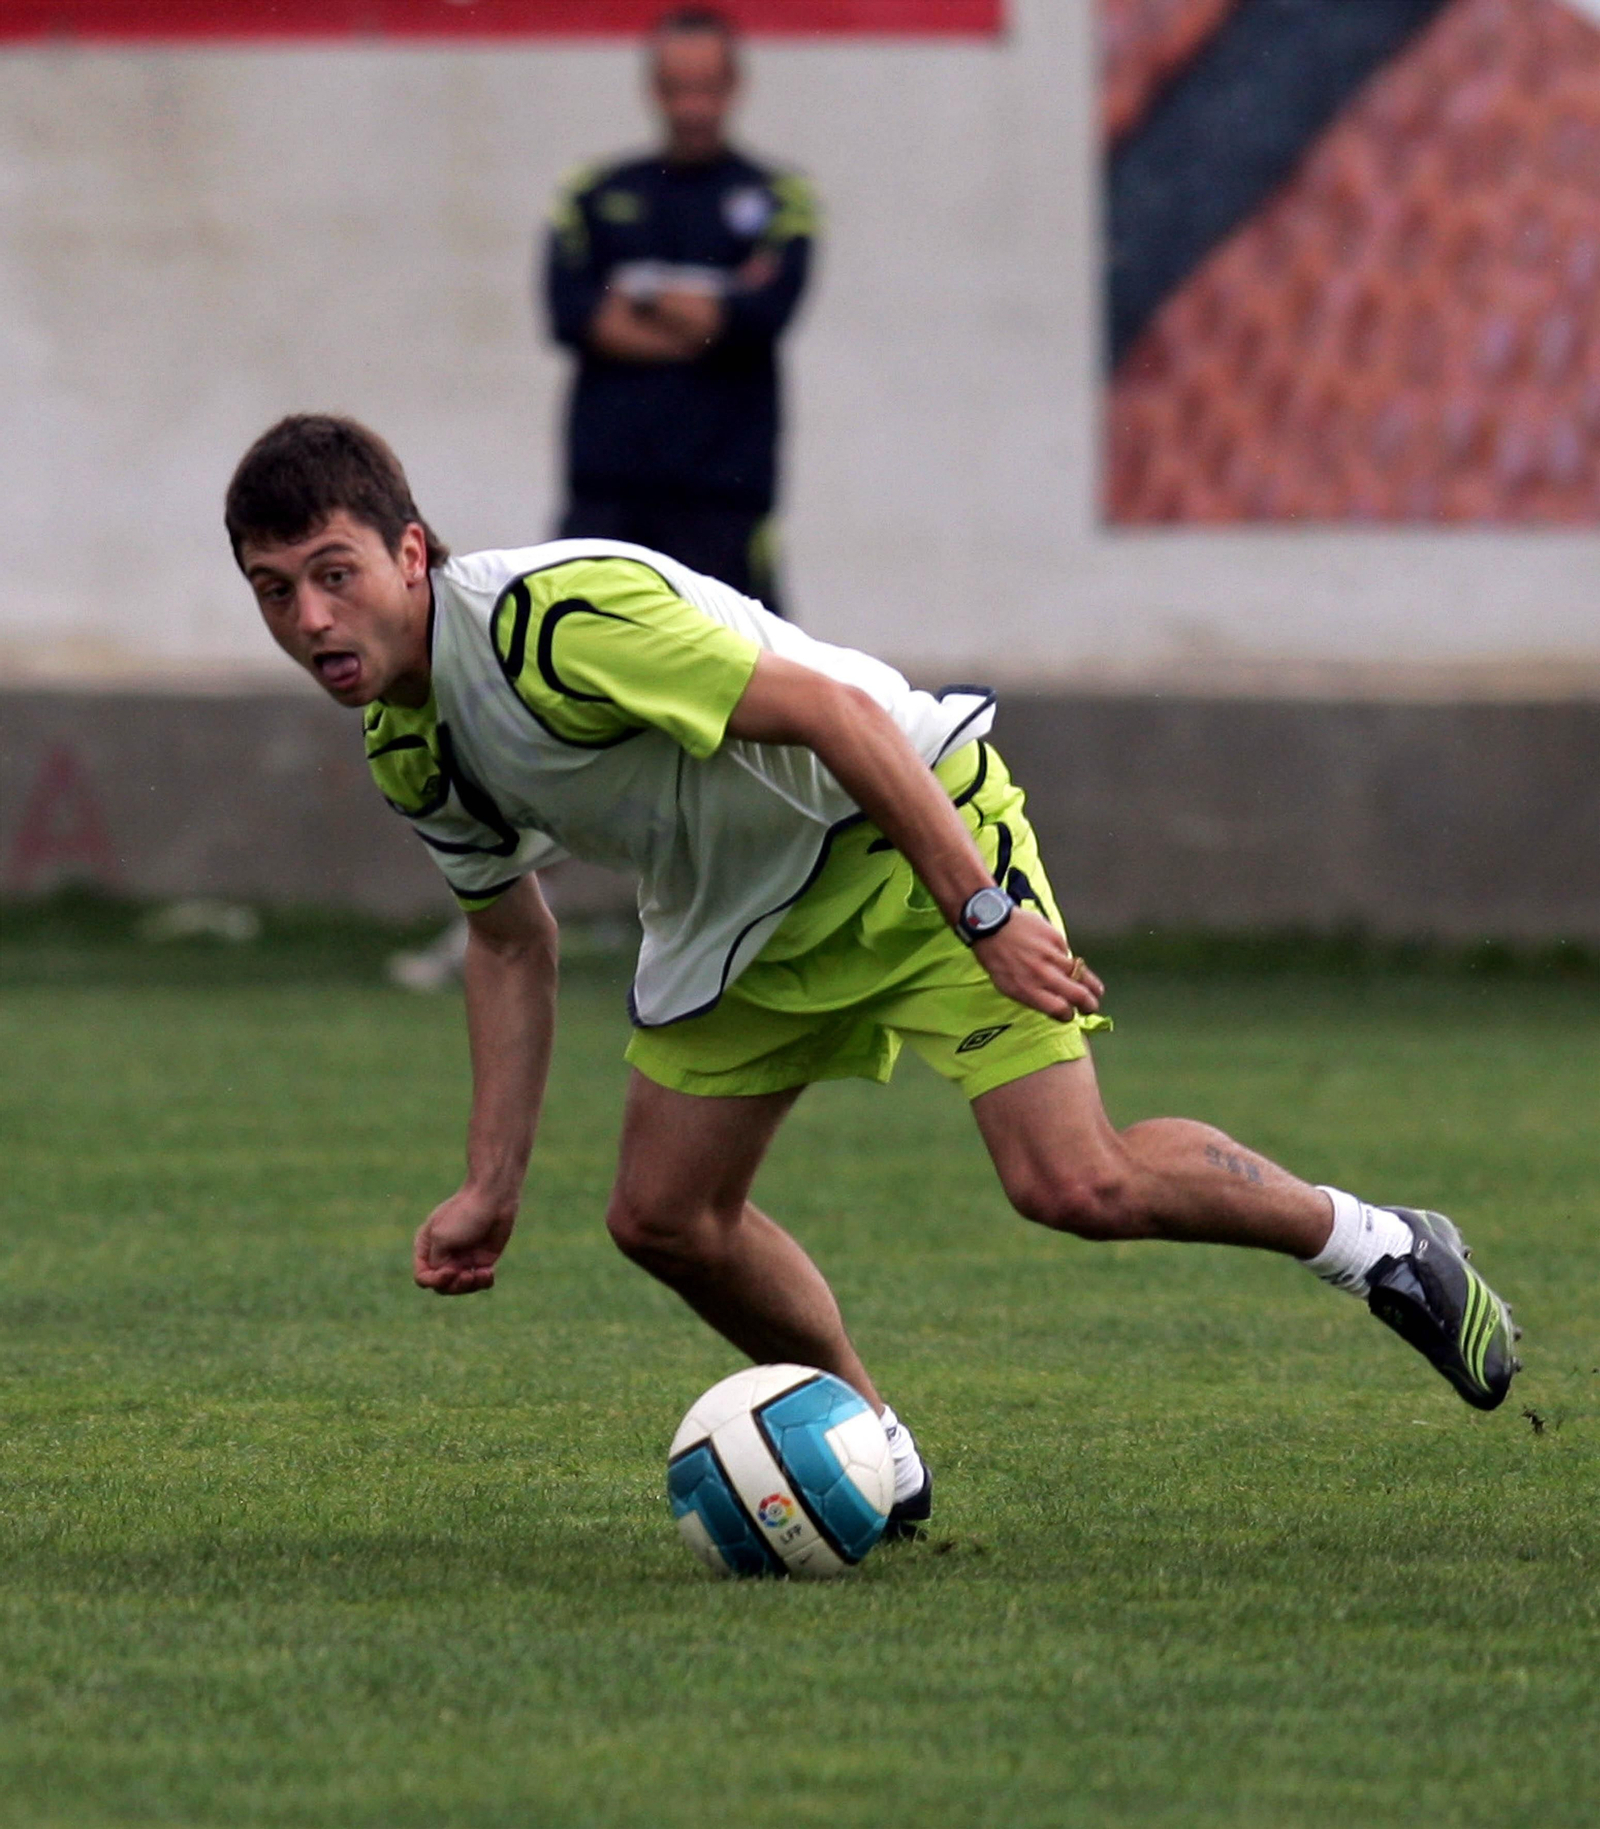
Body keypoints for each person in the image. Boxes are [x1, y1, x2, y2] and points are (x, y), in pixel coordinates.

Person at [225, 415, 1522, 1541]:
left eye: (334, 574)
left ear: (410, 552)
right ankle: (875, 1447)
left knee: (1073, 1180)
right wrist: (488, 1185)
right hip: (739, 915)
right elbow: (512, 939)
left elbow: (840, 718)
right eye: (275, 592)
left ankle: (1383, 1246)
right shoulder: (407, 742)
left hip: (901, 835)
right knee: (662, 1218)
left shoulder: (550, 627)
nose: (312, 620)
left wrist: (985, 908)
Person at [543, 5, 814, 613]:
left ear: (735, 87)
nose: (692, 107)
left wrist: (637, 294)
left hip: (725, 498)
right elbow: (571, 316)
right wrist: (710, 315)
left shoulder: (780, 198)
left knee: (754, 692)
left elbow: (765, 315)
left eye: (707, 88)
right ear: (653, 89)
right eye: (677, 88)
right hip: (606, 496)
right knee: (574, 690)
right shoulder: (592, 194)